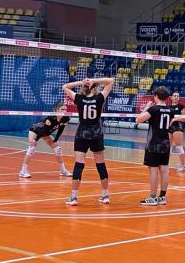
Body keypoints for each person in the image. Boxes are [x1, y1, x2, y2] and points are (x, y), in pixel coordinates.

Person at [62, 76, 114, 206]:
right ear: (94, 88)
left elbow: (65, 87)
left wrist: (82, 82)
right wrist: (94, 80)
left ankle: (74, 197)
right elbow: (111, 81)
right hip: (96, 135)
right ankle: (105, 195)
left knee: (79, 165)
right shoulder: (99, 98)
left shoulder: (79, 98)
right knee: (101, 165)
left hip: (82, 135)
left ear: (84, 88)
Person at [135, 86, 185, 206]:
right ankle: (162, 197)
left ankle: (153, 197)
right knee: (164, 171)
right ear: (167, 97)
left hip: (154, 144)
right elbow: (182, 118)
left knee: (153, 171)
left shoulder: (153, 109)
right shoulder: (170, 110)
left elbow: (138, 120)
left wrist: (147, 107)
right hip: (166, 144)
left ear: (156, 96)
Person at [19, 103, 71, 179]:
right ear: (56, 110)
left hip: (46, 133)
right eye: (62, 109)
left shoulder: (66, 118)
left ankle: (63, 171)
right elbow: (42, 131)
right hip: (36, 130)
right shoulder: (51, 118)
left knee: (57, 149)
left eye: (65, 109)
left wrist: (55, 140)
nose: (64, 111)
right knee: (32, 147)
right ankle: (22, 171)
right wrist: (35, 140)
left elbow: (60, 130)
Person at [168, 91, 185, 174]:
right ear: (171, 97)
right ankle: (166, 164)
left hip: (177, 128)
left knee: (179, 147)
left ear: (179, 98)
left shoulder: (181, 107)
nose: (176, 97)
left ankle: (182, 166)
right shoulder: (168, 107)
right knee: (168, 148)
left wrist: (175, 119)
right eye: (174, 95)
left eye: (177, 96)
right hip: (169, 128)